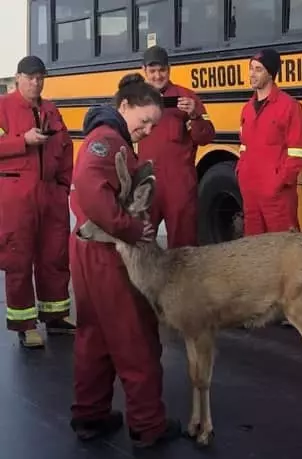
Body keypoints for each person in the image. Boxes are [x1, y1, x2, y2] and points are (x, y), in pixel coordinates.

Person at [68, 73, 181, 448]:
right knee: (136, 337)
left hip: (88, 251)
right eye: (144, 120)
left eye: (152, 124)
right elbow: (90, 188)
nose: (147, 130)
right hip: (107, 254)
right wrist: (129, 229)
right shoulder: (107, 140)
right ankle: (148, 426)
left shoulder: (106, 137)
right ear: (124, 106)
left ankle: (90, 414)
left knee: (95, 336)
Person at [0, 55, 74, 348]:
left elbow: (66, 147)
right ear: (17, 78)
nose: (36, 82)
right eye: (30, 77)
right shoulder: (3, 107)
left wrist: (64, 186)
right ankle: (24, 325)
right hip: (16, 197)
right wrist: (22, 140)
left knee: (54, 257)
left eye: (40, 77)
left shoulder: (51, 110)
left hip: (51, 195)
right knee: (18, 259)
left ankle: (55, 317)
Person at [138, 45, 215, 248]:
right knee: (140, 243)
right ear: (143, 70)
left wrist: (195, 115)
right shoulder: (135, 100)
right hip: (147, 184)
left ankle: (184, 281)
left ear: (169, 69)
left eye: (162, 70)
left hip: (179, 185)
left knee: (184, 247)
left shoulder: (187, 97)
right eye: (152, 71)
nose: (157, 76)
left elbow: (206, 137)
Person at [237, 48, 302, 236]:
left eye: (258, 69)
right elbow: (244, 147)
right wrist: (242, 174)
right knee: (255, 252)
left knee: (284, 252)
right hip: (251, 194)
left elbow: (298, 153)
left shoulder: (290, 107)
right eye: (251, 68)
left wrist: (278, 183)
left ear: (270, 74)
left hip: (277, 197)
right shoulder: (247, 109)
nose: (252, 74)